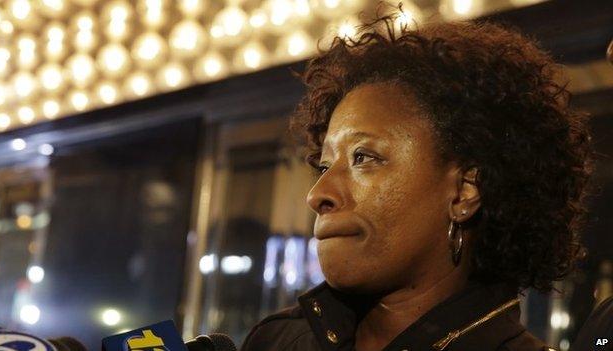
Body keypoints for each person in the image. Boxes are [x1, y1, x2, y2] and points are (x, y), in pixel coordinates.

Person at [240, 12, 593, 351]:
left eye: (363, 157)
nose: (318, 194)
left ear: (463, 192)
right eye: (324, 166)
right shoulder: (276, 341)